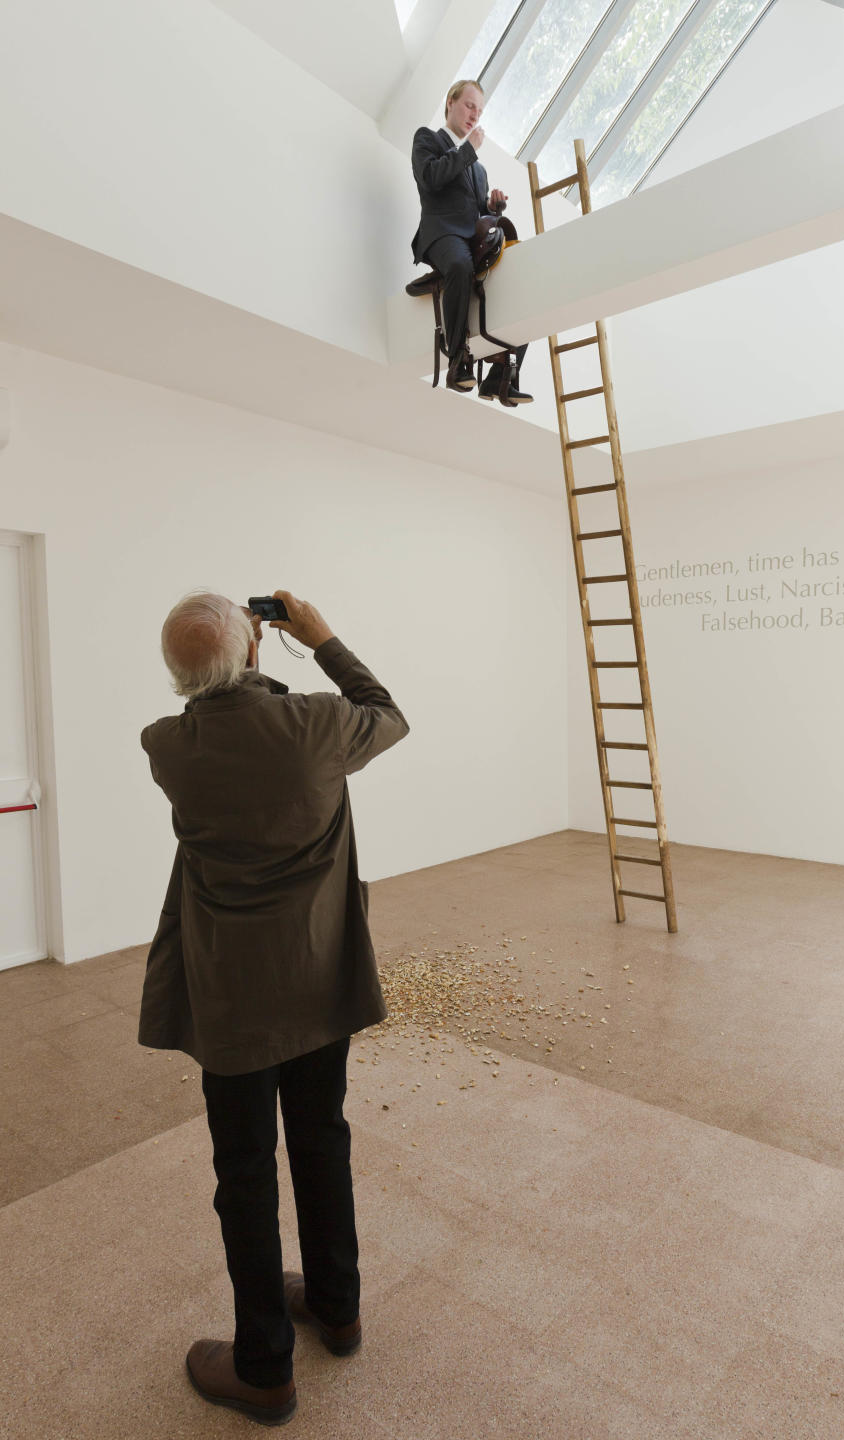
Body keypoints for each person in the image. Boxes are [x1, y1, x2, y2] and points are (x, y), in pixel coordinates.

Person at [138, 589, 409, 1426]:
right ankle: (338, 1305)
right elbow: (387, 712)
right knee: (322, 1137)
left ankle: (264, 1367)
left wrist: (241, 665)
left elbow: (223, 719)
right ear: (256, 650)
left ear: (178, 676)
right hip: (319, 978)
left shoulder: (166, 746)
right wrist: (318, 637)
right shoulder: (319, 726)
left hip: (235, 1002)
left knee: (245, 1172)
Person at [411, 78, 532, 405]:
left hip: (471, 234)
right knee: (460, 264)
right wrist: (468, 150)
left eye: (479, 110)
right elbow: (432, 178)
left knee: (522, 279)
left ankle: (503, 374)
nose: (474, 115)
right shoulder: (427, 139)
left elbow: (476, 210)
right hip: (442, 234)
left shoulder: (478, 170)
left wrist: (491, 205)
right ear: (450, 102)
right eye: (468, 105)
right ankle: (457, 359)